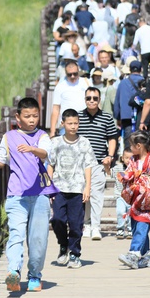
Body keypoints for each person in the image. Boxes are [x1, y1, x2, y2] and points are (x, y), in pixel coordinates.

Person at [0, 97, 57, 292]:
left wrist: (32, 149)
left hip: (40, 195)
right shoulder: (9, 137)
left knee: (38, 239)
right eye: (27, 116)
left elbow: (45, 154)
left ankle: (35, 276)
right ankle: (14, 272)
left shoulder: (42, 136)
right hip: (17, 194)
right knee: (16, 234)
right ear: (18, 117)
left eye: (35, 116)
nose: (32, 120)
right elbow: (1, 161)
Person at [48, 109, 96, 269]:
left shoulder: (84, 142)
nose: (73, 126)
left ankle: (75, 253)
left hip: (77, 188)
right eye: (70, 123)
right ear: (63, 124)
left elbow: (88, 165)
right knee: (57, 220)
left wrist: (87, 187)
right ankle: (63, 245)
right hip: (59, 188)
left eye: (76, 123)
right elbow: (51, 164)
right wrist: (49, 186)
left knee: (76, 224)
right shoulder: (55, 142)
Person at [117, 130, 150, 269]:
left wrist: (144, 183)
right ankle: (146, 256)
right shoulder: (133, 160)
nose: (130, 148)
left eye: (131, 145)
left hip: (148, 202)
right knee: (137, 227)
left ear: (139, 146)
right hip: (135, 201)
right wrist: (127, 177)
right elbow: (129, 172)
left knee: (141, 227)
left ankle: (133, 254)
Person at [78, 86, 119, 240]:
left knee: (97, 195)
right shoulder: (78, 116)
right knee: (83, 195)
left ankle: (96, 226)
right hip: (80, 163)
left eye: (95, 98)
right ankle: (86, 224)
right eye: (88, 98)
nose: (92, 101)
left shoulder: (107, 118)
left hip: (98, 162)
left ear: (99, 100)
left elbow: (112, 138)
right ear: (85, 99)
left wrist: (110, 156)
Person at [49, 59, 88, 135]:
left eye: (75, 74)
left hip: (84, 124)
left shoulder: (86, 83)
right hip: (66, 125)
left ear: (78, 71)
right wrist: (52, 131)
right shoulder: (60, 86)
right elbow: (56, 109)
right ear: (65, 73)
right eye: (69, 74)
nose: (72, 76)